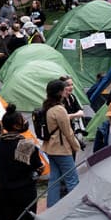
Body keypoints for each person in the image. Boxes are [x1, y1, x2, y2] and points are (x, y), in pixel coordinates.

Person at [40, 78, 82, 207]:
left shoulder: (47, 106)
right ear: (59, 92)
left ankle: (52, 207)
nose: (66, 91)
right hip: (61, 149)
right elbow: (67, 132)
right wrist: (77, 146)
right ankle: (75, 208)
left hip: (50, 148)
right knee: (72, 179)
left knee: (55, 179)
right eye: (64, 89)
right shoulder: (59, 109)